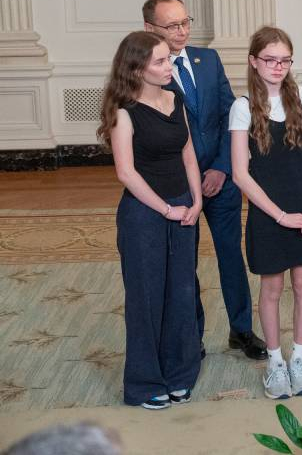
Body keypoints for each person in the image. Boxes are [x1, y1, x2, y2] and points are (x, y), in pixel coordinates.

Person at [142, 0, 267, 360]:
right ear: (150, 29)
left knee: (232, 256)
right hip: (179, 186)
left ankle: (241, 330)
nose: (182, 31)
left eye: (185, 22)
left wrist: (222, 168)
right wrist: (195, 178)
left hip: (221, 179)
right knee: (185, 264)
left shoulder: (208, 59)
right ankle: (191, 336)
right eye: (172, 25)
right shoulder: (147, 71)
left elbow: (232, 115)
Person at [97, 31, 203, 409]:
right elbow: (126, 173)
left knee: (182, 294)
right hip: (144, 216)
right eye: (159, 61)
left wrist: (196, 200)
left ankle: (179, 374)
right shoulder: (123, 113)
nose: (168, 65)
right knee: (146, 299)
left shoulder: (176, 99)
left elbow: (188, 154)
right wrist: (166, 209)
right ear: (137, 69)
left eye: (168, 59)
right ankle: (144, 383)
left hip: (183, 209)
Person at [230, 27, 302, 398]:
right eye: (270, 60)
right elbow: (241, 173)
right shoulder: (242, 107)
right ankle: (274, 362)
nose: (278, 67)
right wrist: (279, 216)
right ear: (253, 62)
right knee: (271, 288)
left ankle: (298, 358)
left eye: (285, 60)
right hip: (268, 212)